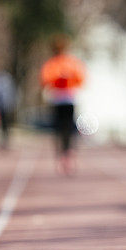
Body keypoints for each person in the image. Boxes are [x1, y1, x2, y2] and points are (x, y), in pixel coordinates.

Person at [40, 35, 85, 174]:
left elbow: (81, 78)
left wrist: (69, 77)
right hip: (57, 99)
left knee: (70, 128)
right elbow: (45, 79)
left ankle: (69, 153)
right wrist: (58, 78)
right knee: (59, 129)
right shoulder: (51, 64)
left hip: (70, 99)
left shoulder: (72, 62)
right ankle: (61, 155)